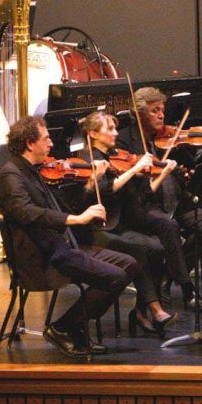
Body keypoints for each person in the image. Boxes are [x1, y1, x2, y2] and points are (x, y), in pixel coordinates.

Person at [0, 116, 138, 358]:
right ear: (30, 143)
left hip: (62, 246)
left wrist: (90, 184)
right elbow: (27, 212)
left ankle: (71, 327)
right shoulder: (11, 175)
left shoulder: (36, 170)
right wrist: (77, 220)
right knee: (115, 277)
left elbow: (65, 207)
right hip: (42, 258)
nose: (51, 143)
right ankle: (63, 327)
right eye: (46, 138)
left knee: (129, 264)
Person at [75, 110, 175, 336]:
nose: (115, 133)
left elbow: (137, 193)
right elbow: (106, 190)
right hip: (94, 230)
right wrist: (134, 170)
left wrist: (153, 172)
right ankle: (155, 309)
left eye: (115, 128)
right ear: (92, 134)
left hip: (118, 225)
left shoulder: (114, 157)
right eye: (109, 129)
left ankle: (142, 309)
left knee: (157, 248)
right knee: (138, 250)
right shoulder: (85, 160)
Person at [124, 87, 202, 310]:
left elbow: (195, 167)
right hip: (146, 205)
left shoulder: (170, 138)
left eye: (162, 110)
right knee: (169, 226)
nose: (161, 115)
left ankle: (171, 274)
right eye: (154, 111)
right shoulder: (126, 141)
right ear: (139, 114)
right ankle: (188, 289)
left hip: (175, 201)